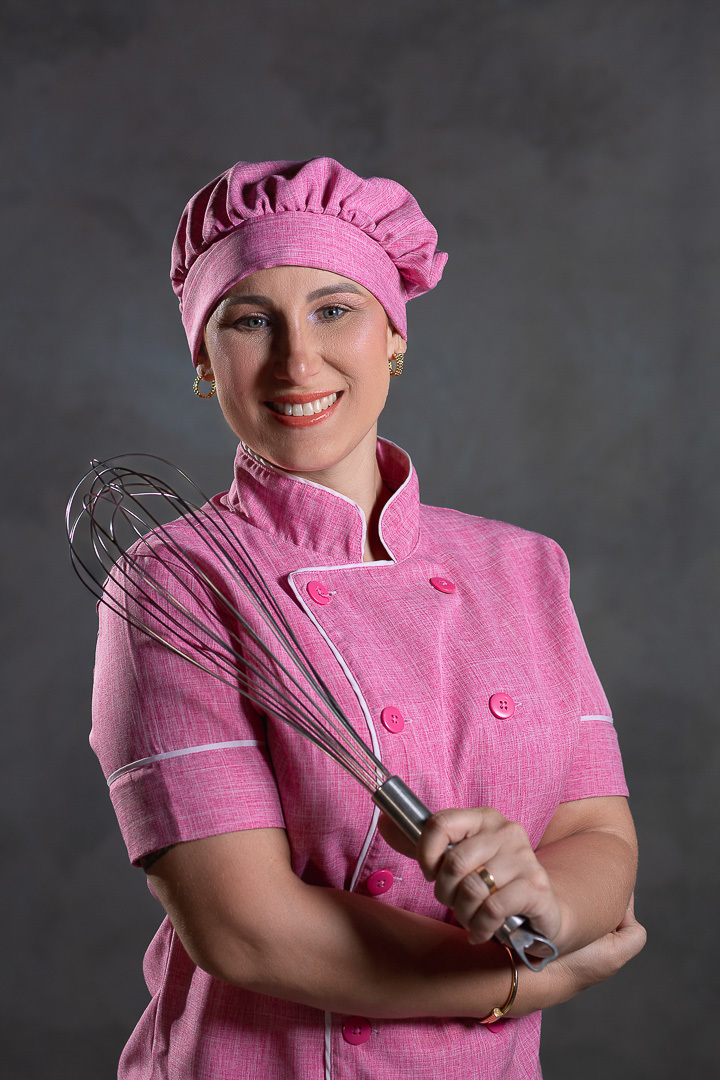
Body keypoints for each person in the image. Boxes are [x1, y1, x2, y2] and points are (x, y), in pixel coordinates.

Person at [90, 157, 646, 1079]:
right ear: (203, 358)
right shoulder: (176, 579)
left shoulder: (523, 566)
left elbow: (602, 837)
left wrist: (543, 904)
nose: (297, 360)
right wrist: (516, 985)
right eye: (250, 320)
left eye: (335, 309)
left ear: (394, 333)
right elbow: (249, 933)